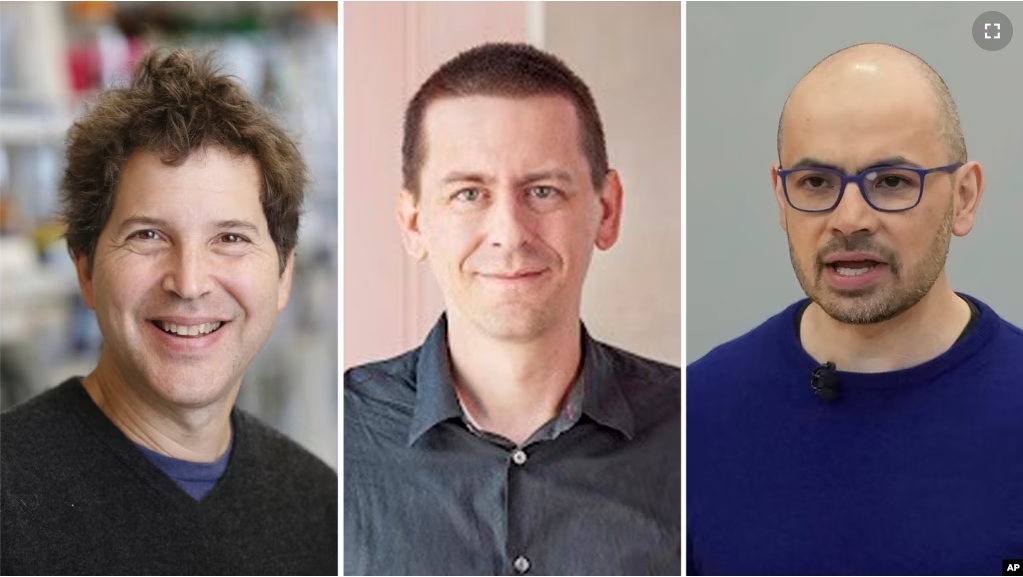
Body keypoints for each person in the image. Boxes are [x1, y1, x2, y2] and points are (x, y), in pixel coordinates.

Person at [344, 42, 681, 575]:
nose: (509, 234)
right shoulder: (338, 446)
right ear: (413, 224)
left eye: (543, 191)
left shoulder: (697, 438)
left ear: (607, 210)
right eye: (469, 194)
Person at [687, 42, 1023, 575]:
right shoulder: (691, 420)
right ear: (781, 198)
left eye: (891, 182)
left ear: (964, 198)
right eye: (816, 183)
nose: (849, 218)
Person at [0, 49, 337, 575]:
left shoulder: (321, 512)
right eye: (148, 235)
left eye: (230, 238)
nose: (190, 282)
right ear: (85, 268)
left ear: (283, 274)